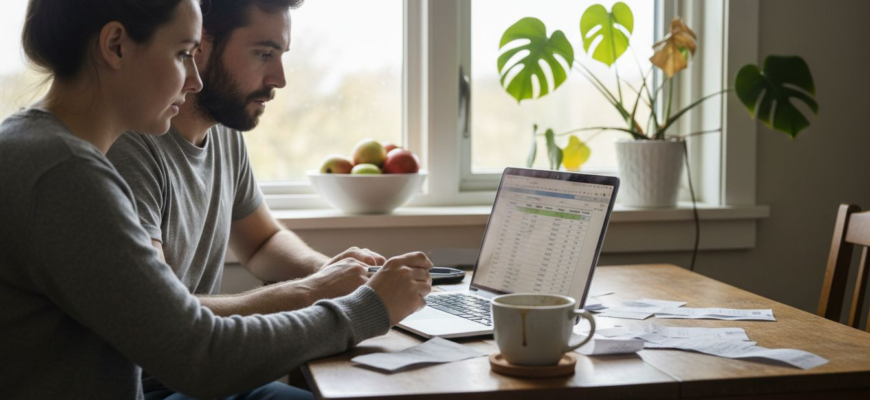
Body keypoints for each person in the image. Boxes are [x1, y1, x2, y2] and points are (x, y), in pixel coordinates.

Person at [0, 1, 432, 399]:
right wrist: (366, 308)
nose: (194, 80)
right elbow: (202, 355)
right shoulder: (64, 173)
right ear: (115, 46)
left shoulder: (47, 151)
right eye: (183, 54)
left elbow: (196, 329)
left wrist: (338, 278)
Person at [107, 0, 383, 318]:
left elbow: (262, 243)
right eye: (264, 54)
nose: (279, 79)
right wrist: (316, 291)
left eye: (281, 56)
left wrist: (329, 271)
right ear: (199, 42)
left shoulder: (225, 130)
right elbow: (160, 311)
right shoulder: (128, 148)